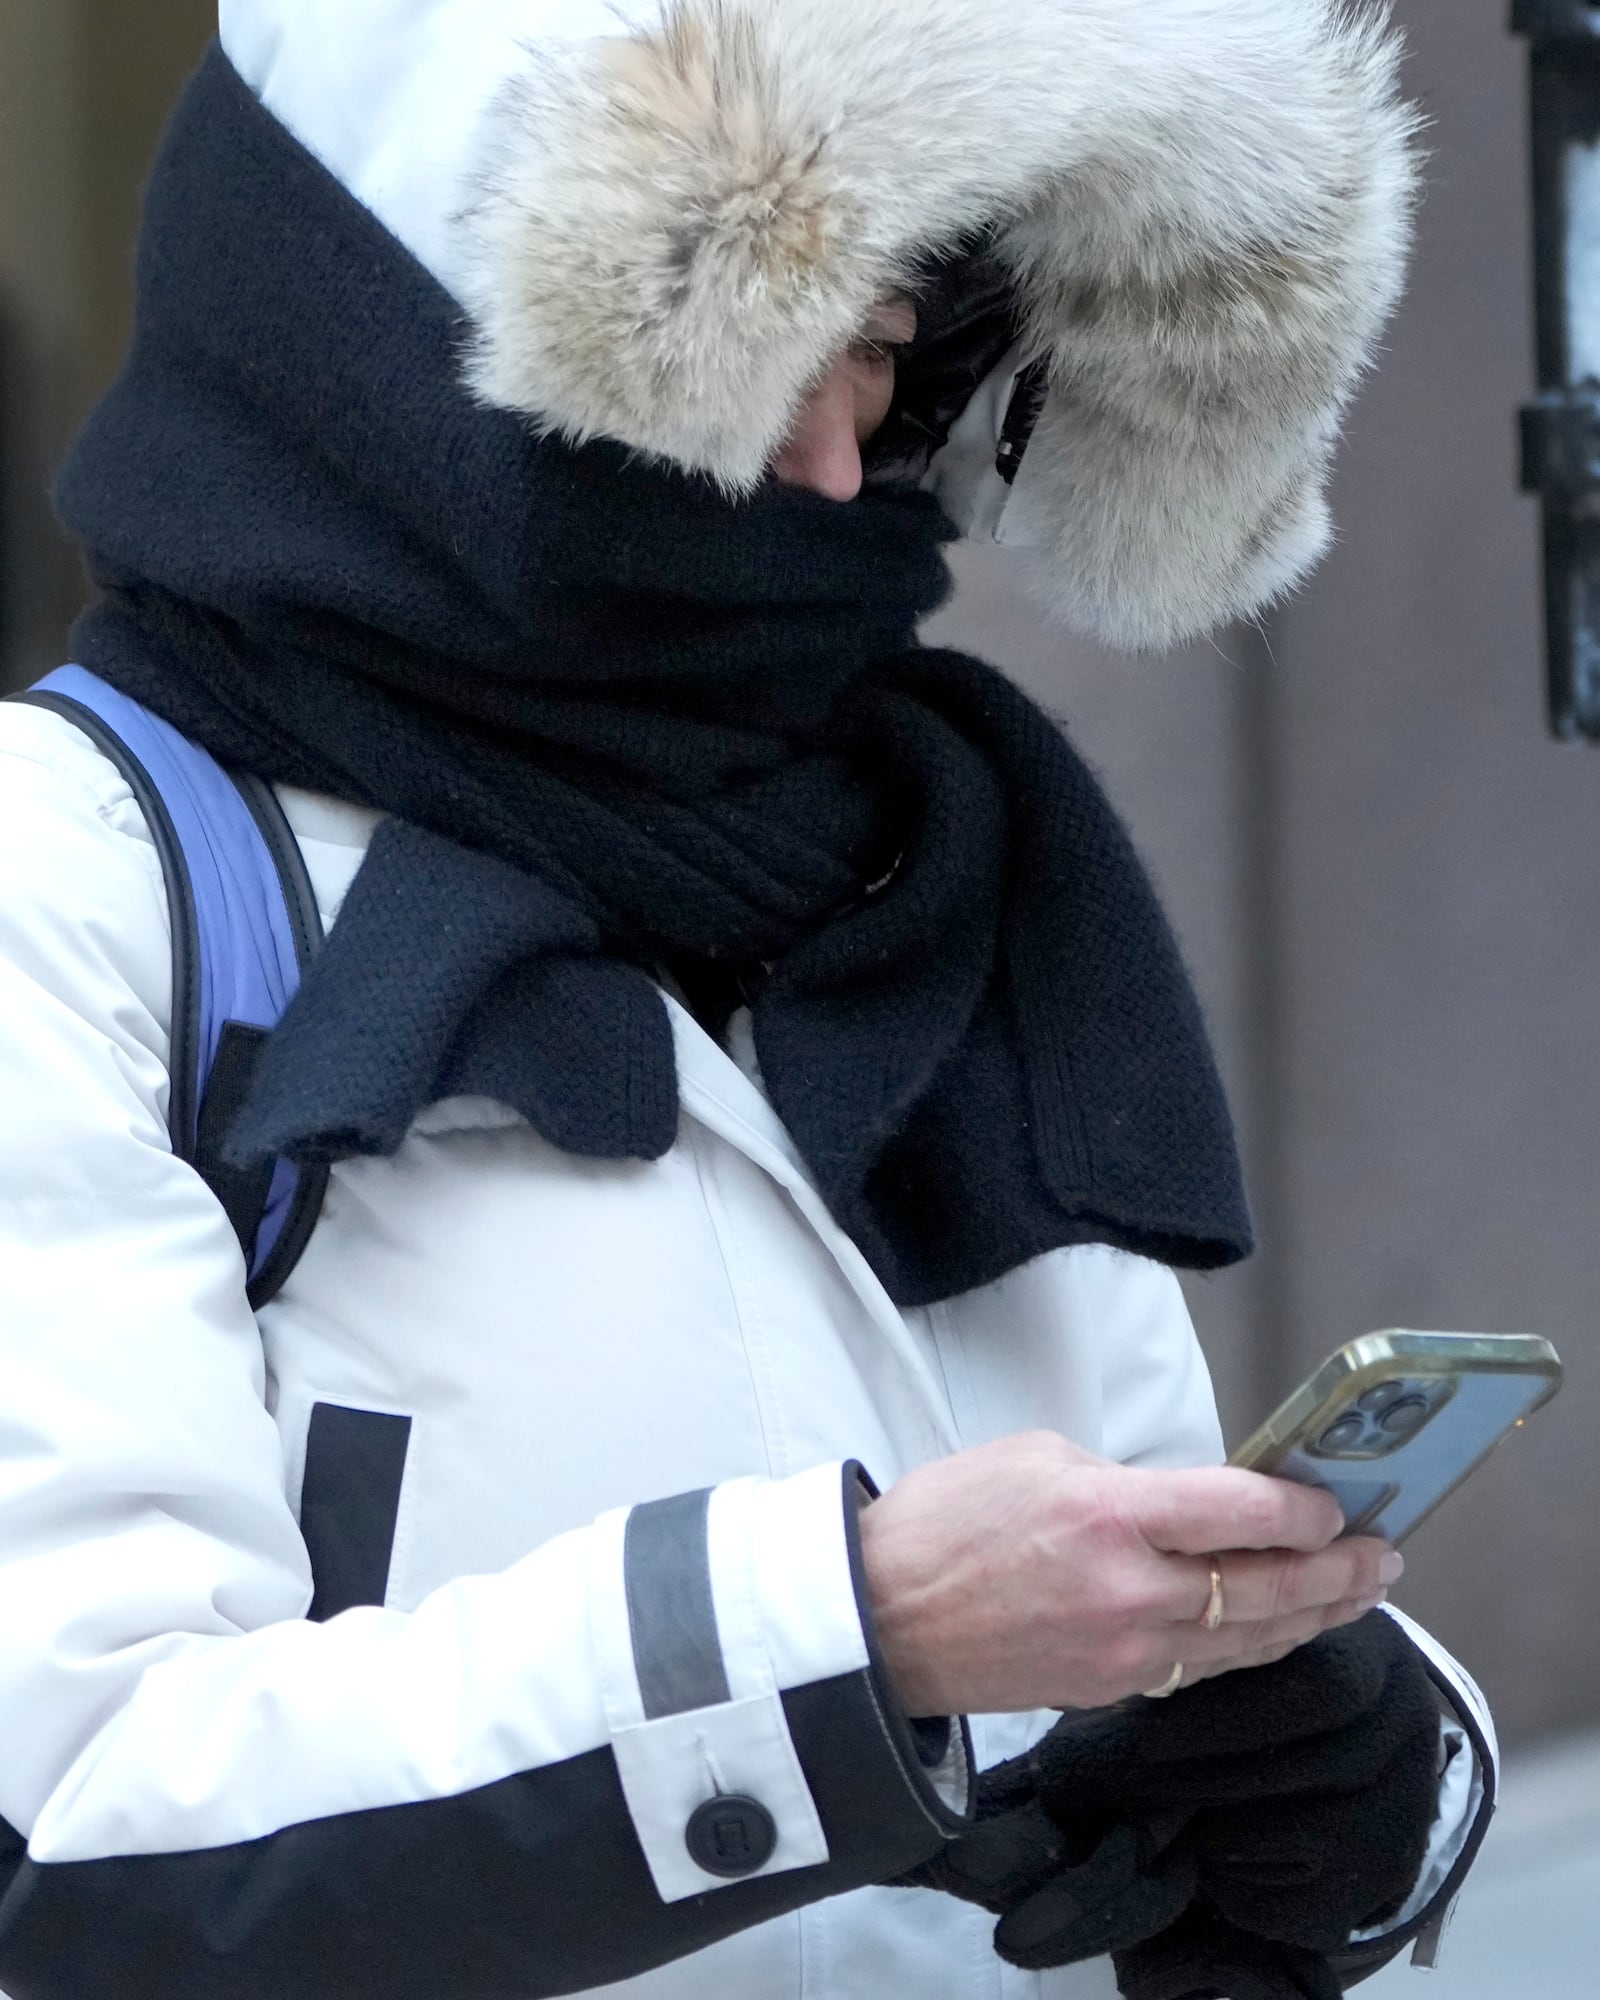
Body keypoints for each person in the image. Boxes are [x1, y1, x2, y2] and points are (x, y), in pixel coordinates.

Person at [0, 4, 1494, 1998]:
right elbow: (73, 1830)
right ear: (370, 328)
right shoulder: (75, 882)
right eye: (736, 338)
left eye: (877, 352)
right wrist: (846, 1637)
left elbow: (1123, 1560)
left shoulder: (935, 859)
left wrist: (1356, 1781)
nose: (825, 463)